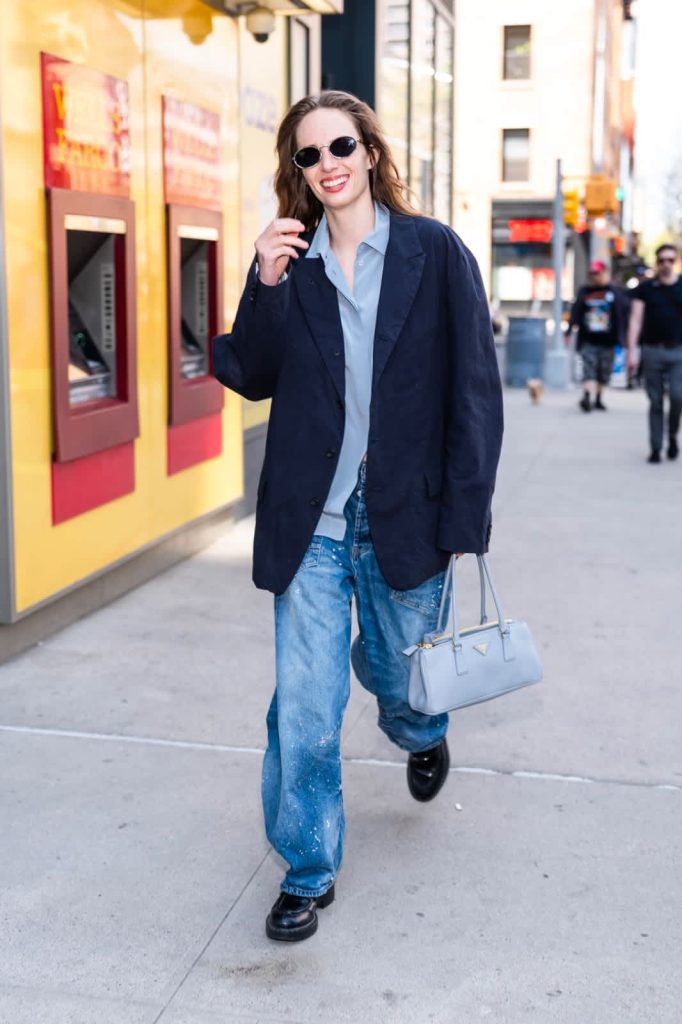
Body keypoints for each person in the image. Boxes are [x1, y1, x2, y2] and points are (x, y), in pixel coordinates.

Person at [212, 91, 503, 942]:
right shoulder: (289, 266)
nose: (327, 164)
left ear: (370, 152)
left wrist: (466, 516)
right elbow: (251, 374)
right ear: (297, 172)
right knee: (305, 707)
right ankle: (307, 869)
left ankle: (421, 729)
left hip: (407, 513)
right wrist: (264, 284)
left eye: (340, 145)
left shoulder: (433, 252)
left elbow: (475, 390)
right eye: (308, 155)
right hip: (313, 522)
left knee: (398, 678)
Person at [627, 243, 682, 462]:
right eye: (662, 260)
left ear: (675, 261)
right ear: (657, 262)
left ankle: (672, 435)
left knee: (678, 397)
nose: (666, 264)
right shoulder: (646, 289)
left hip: (678, 351)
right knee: (655, 401)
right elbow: (635, 320)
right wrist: (632, 352)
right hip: (652, 350)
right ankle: (656, 447)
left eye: (670, 260)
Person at [569, 259, 628, 412]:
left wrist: (624, 337)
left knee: (604, 371)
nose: (595, 276)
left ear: (605, 273)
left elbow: (623, 314)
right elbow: (576, 311)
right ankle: (587, 396)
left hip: (608, 340)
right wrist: (570, 330)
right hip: (588, 339)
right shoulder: (585, 291)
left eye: (598, 273)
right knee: (589, 368)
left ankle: (598, 399)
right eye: (592, 274)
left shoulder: (615, 292)